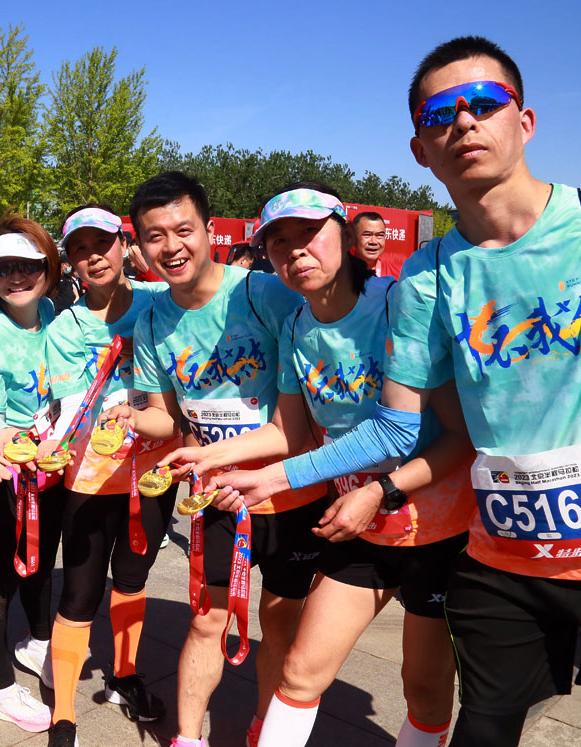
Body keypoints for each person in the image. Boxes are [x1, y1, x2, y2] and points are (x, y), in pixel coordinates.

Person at [210, 36, 581, 747]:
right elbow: (399, 425)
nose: (465, 121)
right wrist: (264, 472)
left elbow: (435, 435)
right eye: (440, 114)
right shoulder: (427, 274)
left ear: (525, 120)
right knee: (474, 728)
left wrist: (353, 485)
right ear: (420, 148)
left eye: (485, 102)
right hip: (506, 558)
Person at [166, 182, 473, 747]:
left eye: (310, 233)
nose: (295, 251)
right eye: (278, 241)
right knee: (299, 673)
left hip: (436, 528)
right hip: (358, 529)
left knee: (424, 689)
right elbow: (289, 432)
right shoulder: (294, 326)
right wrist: (208, 457)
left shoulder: (398, 305)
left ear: (346, 233)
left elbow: (457, 438)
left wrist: (379, 491)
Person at [103, 171, 325, 747]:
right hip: (216, 499)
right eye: (155, 236)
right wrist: (131, 418)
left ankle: (263, 730)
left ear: (208, 229)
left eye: (183, 230)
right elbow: (166, 417)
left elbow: (297, 424)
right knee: (206, 622)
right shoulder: (153, 320)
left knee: (280, 625)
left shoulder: (265, 294)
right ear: (138, 244)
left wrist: (211, 454)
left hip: (292, 492)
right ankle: (187, 737)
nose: (171, 247)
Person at [42, 205, 181, 747]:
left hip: (152, 471)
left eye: (102, 243)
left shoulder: (160, 302)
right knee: (79, 594)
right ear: (70, 261)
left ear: (124, 245)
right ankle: (64, 713)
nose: (93, 257)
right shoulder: (65, 328)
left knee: (132, 578)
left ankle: (125, 676)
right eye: (79, 248)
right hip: (91, 478)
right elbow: (69, 407)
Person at [0, 217, 64, 734]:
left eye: (28, 265)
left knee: (42, 563)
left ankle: (38, 643)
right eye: (3, 269)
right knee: (0, 582)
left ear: (48, 268)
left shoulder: (51, 311)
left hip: (50, 466)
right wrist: (11, 442)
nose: (16, 277)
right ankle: (1, 689)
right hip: (8, 474)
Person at [351, 211, 390, 276]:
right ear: (353, 237)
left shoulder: (396, 273)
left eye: (379, 235)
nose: (373, 242)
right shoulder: (340, 272)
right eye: (367, 235)